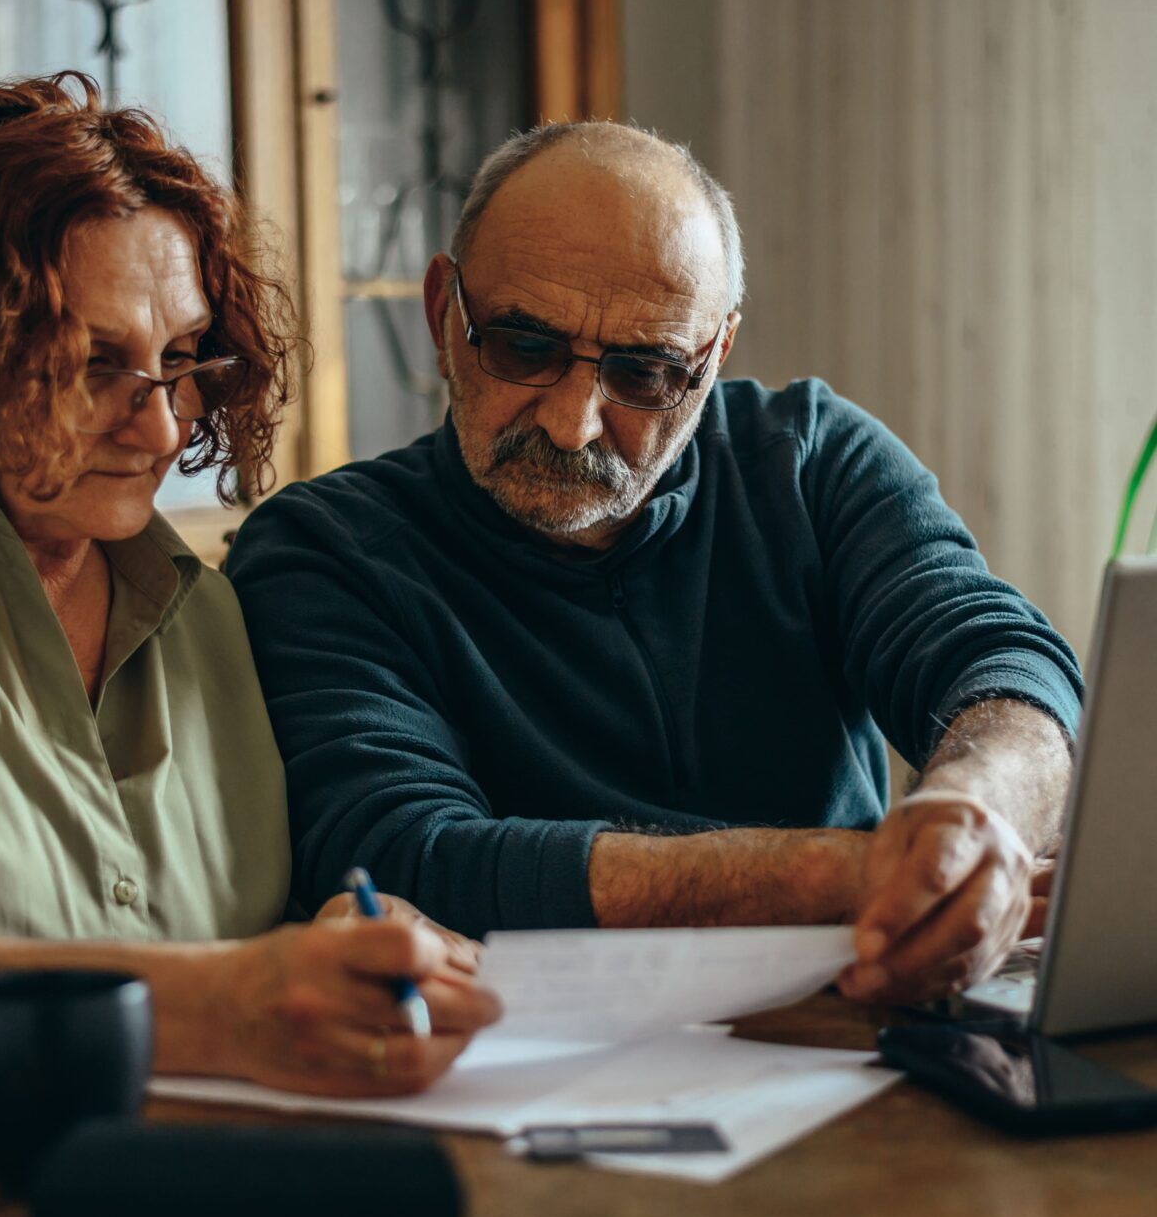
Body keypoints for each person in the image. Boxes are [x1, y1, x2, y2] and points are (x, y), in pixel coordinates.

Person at [225, 121, 1085, 1005]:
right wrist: (846, 876)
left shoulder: (810, 459)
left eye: (645, 373)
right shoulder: (324, 553)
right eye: (525, 346)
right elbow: (406, 855)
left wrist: (976, 816)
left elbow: (1002, 660)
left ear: (715, 356)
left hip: (855, 1026)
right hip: (529, 1062)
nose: (574, 423)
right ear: (445, 310)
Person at [0, 74, 498, 1095]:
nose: (160, 427)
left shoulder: (205, 612)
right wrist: (229, 999)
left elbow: (231, 940)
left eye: (184, 358)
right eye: (90, 360)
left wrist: (334, 942)